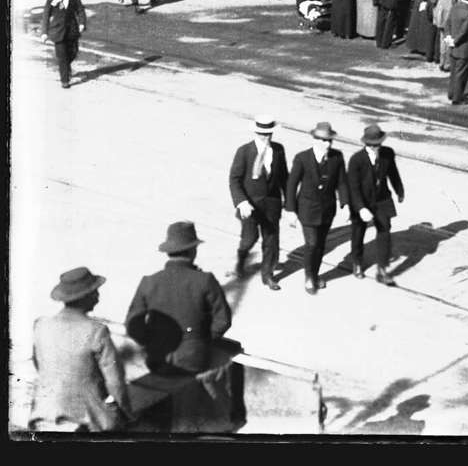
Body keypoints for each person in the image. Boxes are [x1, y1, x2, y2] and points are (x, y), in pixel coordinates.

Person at [30, 267, 132, 432]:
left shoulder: (41, 325)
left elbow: (39, 365)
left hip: (43, 416)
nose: (98, 296)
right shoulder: (97, 330)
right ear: (87, 296)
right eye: (95, 291)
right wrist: (126, 414)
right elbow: (115, 383)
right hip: (84, 422)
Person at [125, 221, 232, 374]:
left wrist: (151, 342)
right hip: (194, 359)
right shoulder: (205, 280)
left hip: (156, 359)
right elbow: (223, 320)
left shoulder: (149, 282)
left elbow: (133, 325)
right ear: (192, 251)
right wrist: (201, 340)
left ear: (169, 252)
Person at [285, 121, 349, 295]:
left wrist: (345, 203)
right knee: (312, 244)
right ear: (314, 139)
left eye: (329, 141)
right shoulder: (302, 158)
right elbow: (291, 185)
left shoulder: (337, 157)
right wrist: (290, 210)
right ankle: (309, 276)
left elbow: (342, 182)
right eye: (323, 141)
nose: (327, 144)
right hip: (306, 210)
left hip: (327, 210)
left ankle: (314, 273)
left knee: (320, 245)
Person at [228, 114, 289, 290]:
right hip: (250, 205)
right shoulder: (244, 151)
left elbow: (284, 177)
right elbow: (234, 180)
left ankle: (268, 275)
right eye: (263, 134)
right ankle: (241, 260)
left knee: (271, 241)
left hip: (272, 204)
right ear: (256, 132)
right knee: (249, 239)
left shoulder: (278, 150)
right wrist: (242, 202)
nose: (266, 137)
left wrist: (290, 203)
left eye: (269, 133)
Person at [346, 124, 405, 286]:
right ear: (365, 144)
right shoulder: (356, 160)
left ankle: (382, 269)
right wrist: (361, 208)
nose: (374, 148)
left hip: (381, 199)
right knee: (358, 232)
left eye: (377, 144)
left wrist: (399, 190)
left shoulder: (387, 154)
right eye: (371, 145)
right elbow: (353, 187)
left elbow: (393, 172)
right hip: (361, 201)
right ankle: (357, 262)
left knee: (385, 230)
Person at [41, 0, 87, 88]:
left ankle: (66, 68)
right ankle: (65, 80)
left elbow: (80, 10)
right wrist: (44, 32)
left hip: (72, 30)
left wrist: (82, 23)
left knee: (73, 52)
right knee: (62, 57)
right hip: (58, 32)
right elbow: (46, 15)